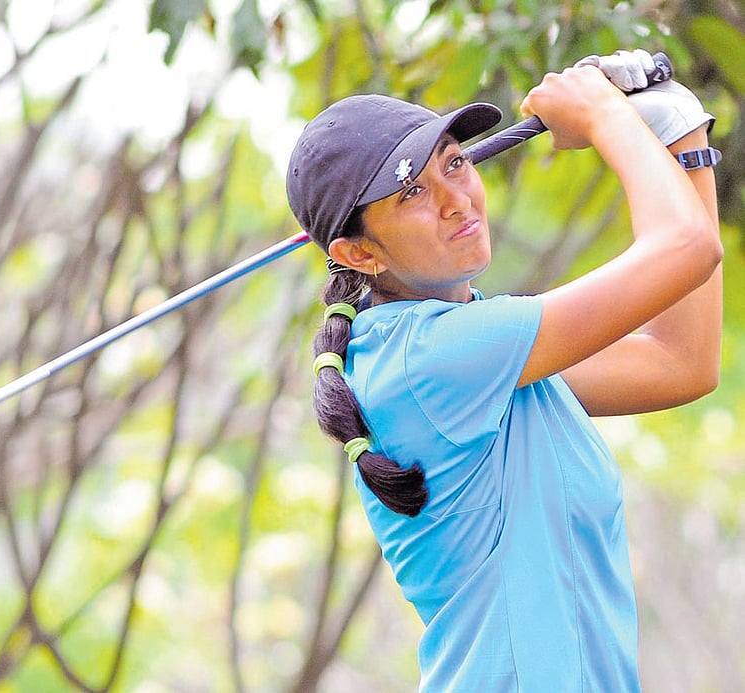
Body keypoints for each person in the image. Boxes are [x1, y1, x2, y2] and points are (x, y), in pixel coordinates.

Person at [286, 49, 723, 691]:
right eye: (413, 193)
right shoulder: (430, 362)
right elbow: (686, 248)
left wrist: (680, 133)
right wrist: (606, 116)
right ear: (358, 253)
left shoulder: (483, 351)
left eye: (456, 164)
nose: (457, 202)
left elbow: (679, 363)